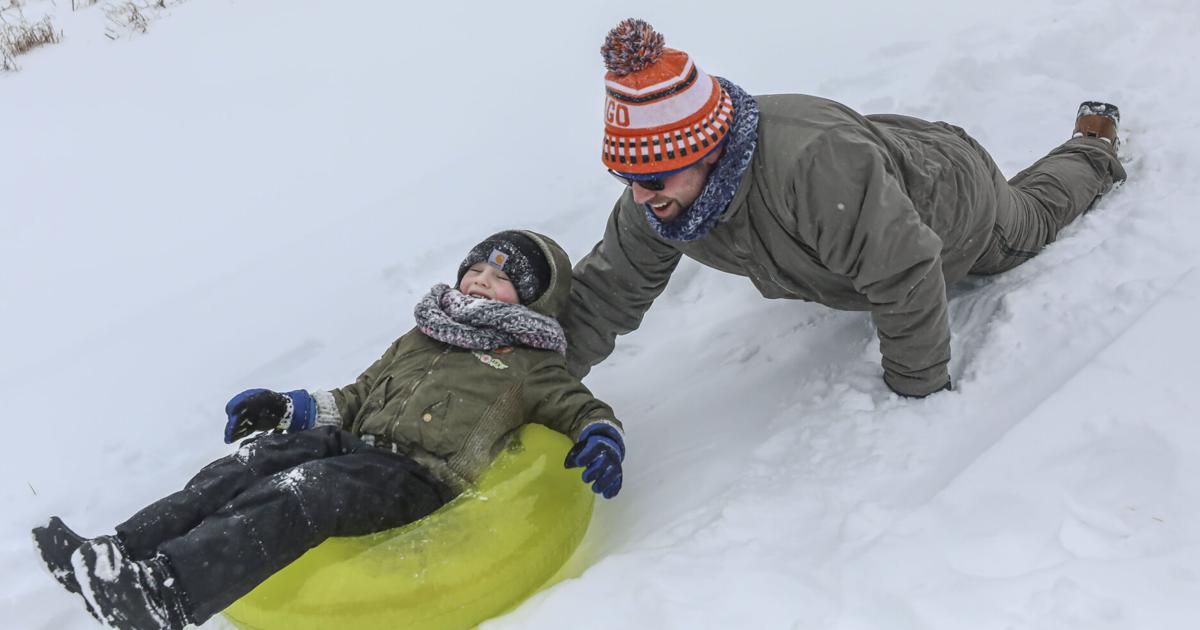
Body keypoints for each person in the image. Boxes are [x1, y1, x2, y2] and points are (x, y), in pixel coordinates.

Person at [31, 230, 626, 630]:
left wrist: (601, 435)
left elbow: (580, 408)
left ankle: (162, 597)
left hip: (418, 475)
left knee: (308, 490)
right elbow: (355, 396)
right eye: (474, 270)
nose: (478, 282)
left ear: (532, 300)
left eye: (498, 280)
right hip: (353, 443)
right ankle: (117, 551)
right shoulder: (422, 336)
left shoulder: (530, 361)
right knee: (248, 464)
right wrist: (283, 409)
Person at [562, 19, 1128, 398]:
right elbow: (605, 294)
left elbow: (904, 272)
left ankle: (1092, 147)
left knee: (1032, 218)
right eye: (625, 176)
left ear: (708, 152)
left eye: (651, 177)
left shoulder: (812, 166)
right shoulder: (659, 194)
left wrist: (918, 393)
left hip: (956, 202)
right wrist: (531, 384)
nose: (637, 194)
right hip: (878, 168)